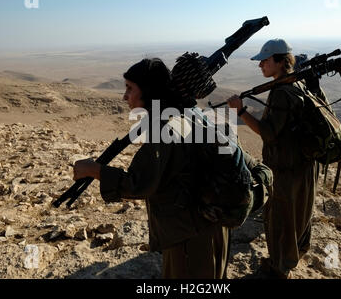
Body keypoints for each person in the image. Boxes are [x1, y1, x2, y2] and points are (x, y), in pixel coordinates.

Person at [73, 58, 230, 279]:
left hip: (190, 235)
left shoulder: (166, 125)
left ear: (147, 91)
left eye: (130, 88)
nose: (124, 96)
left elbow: (140, 184)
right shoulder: (182, 112)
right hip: (205, 226)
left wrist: (94, 170)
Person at [227, 39, 316, 279]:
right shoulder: (297, 83)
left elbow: (267, 132)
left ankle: (279, 267)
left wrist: (241, 111)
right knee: (299, 215)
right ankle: (291, 256)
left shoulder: (281, 91)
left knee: (279, 219)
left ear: (280, 61)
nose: (260, 66)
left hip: (285, 169)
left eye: (265, 61)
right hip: (302, 165)